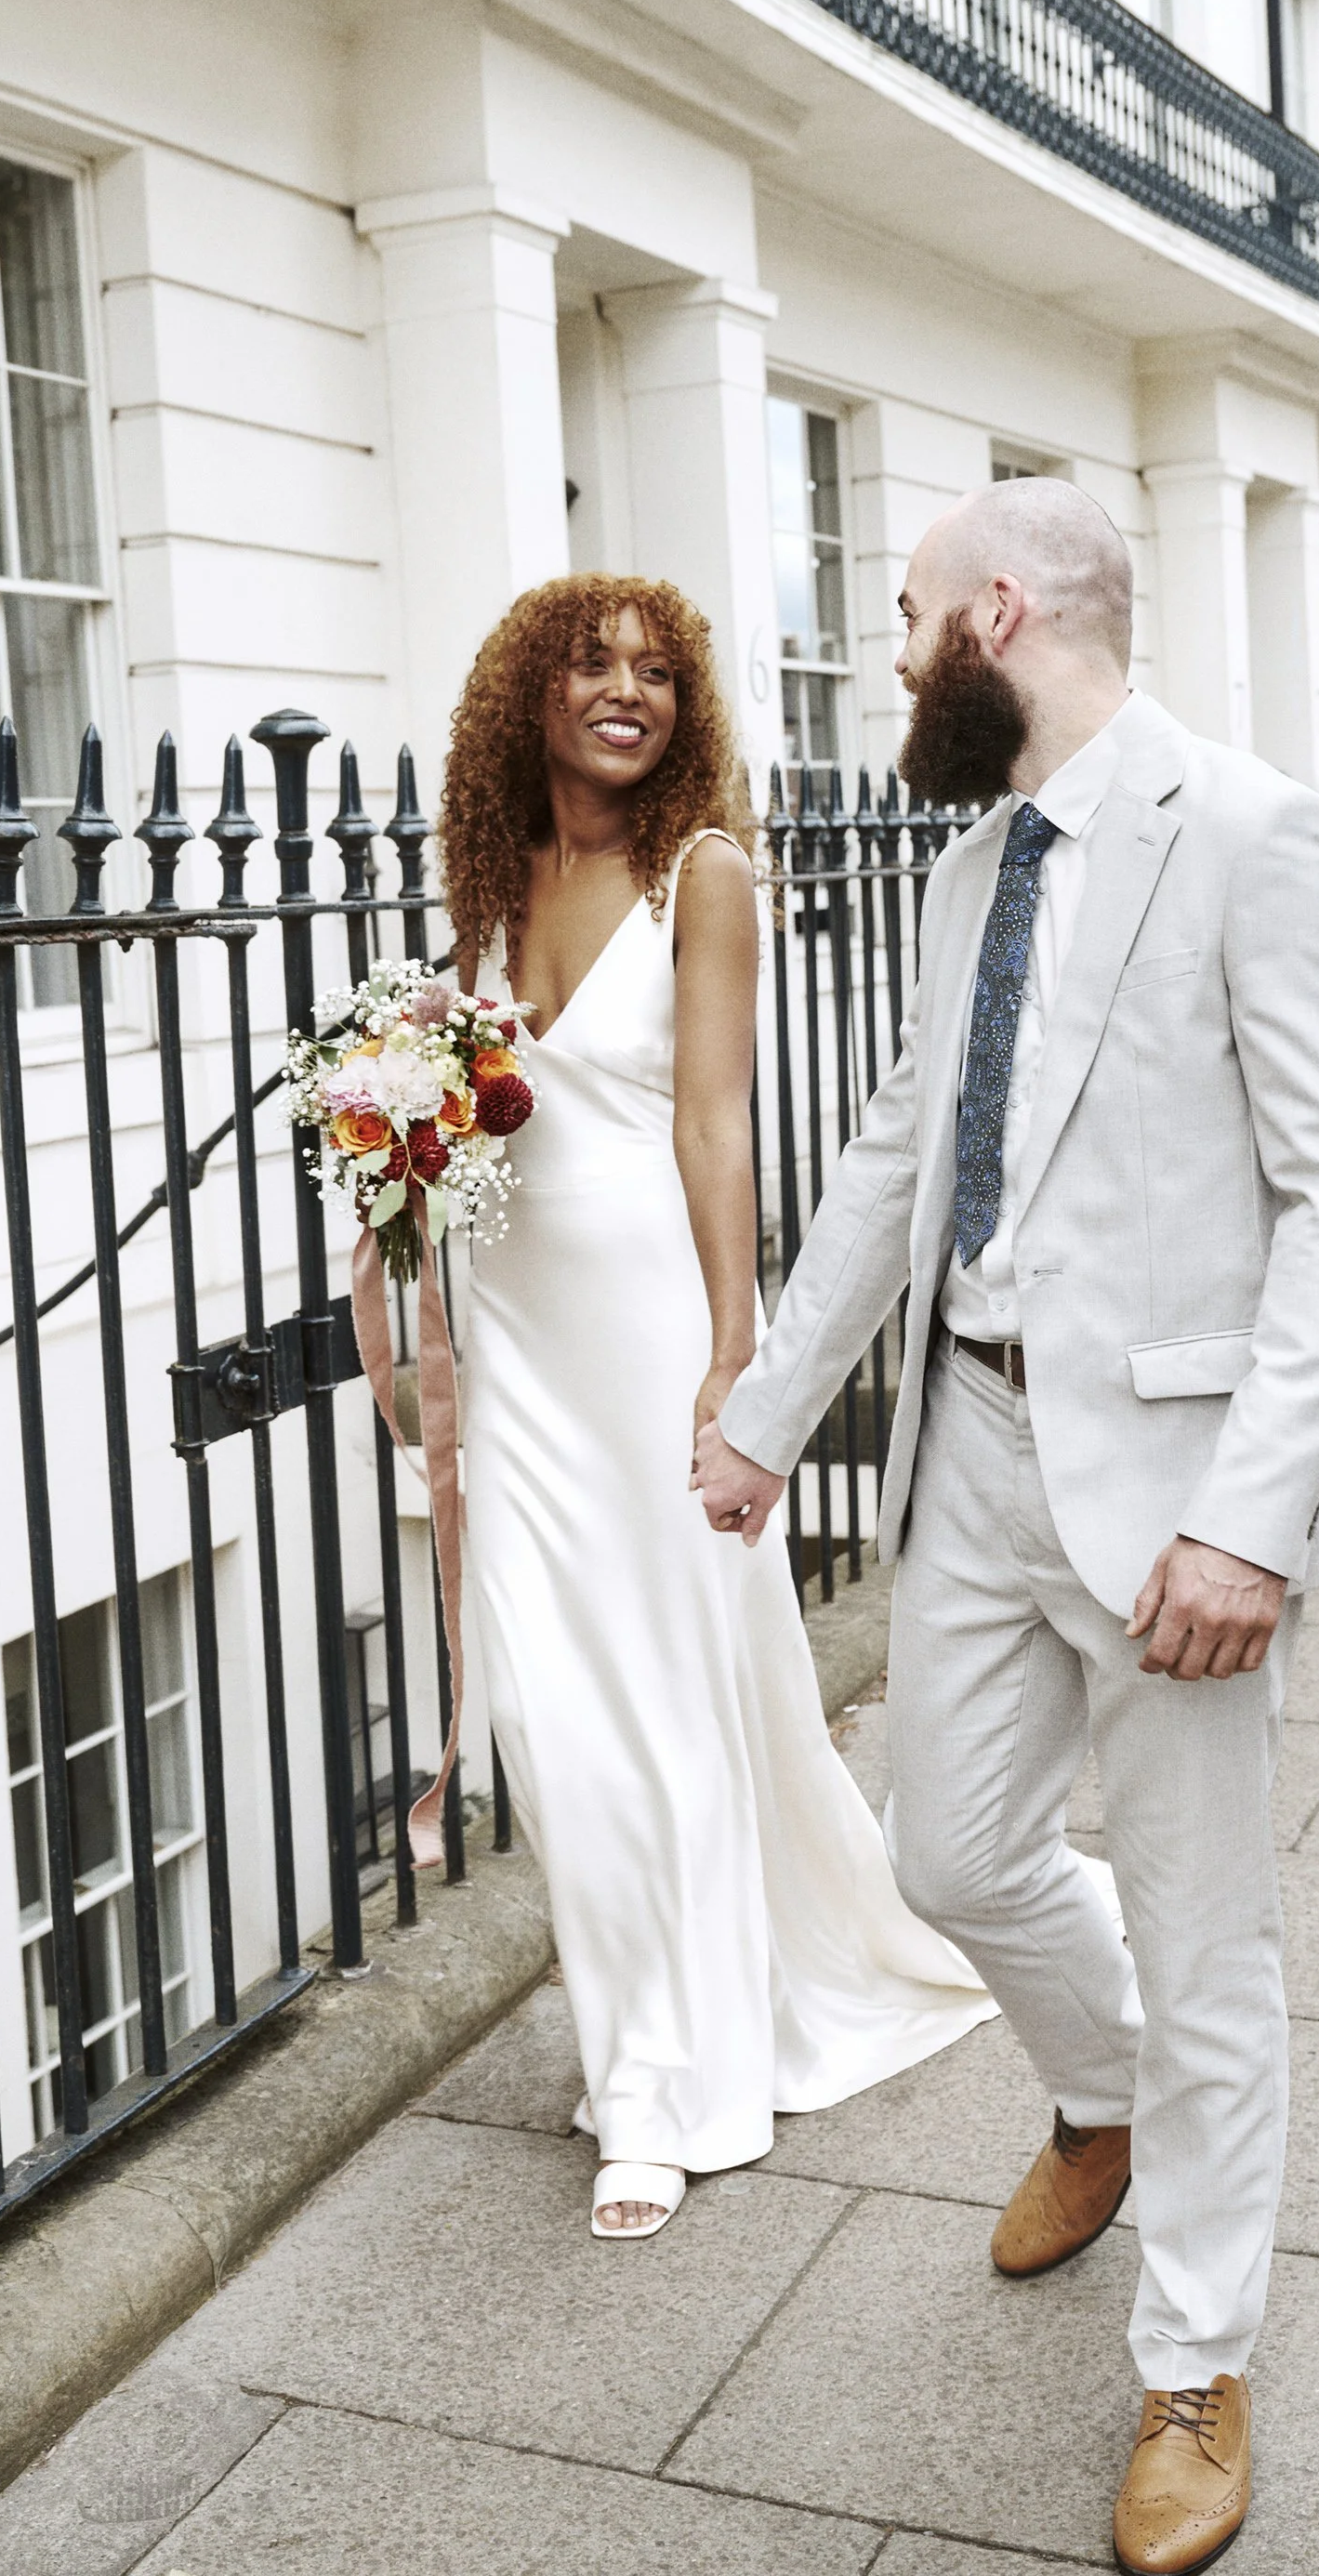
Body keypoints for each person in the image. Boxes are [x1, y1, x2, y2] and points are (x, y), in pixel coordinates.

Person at [693, 482, 1319, 2573]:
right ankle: (1099, 2099)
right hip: (972, 1451)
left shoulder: (1254, 832)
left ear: (998, 612)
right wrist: (765, 1410)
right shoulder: (972, 857)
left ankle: (1195, 2362)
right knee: (948, 1849)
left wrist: (1248, 1525)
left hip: (1180, 1499)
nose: (892, 656)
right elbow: (904, 1150)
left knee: (1208, 1942)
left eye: (908, 619)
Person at [442, 572, 995, 2242]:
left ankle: (664, 2087)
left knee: (669, 1697)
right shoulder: (486, 873)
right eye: (591, 666)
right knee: (548, 1712)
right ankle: (650, 2023)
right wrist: (401, 1320)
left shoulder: (711, 874)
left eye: (657, 671)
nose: (629, 692)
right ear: (522, 698)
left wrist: (736, 1346)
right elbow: (451, 1119)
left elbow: (714, 1125)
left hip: (642, 1339)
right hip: (514, 1337)